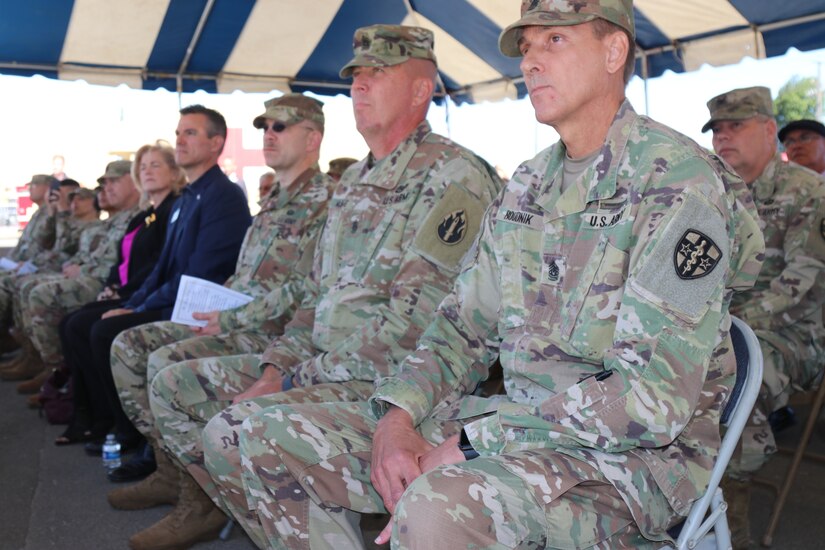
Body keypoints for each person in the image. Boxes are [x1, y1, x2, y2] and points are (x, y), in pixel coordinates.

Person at [236, 2, 764, 548]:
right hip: (513, 427)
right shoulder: (528, 185)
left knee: (438, 507)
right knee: (258, 435)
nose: (531, 62)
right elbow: (460, 327)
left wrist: (471, 444)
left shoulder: (677, 182)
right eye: (527, 47)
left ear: (614, 51)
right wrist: (399, 416)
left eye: (554, 41)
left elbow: (648, 400)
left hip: (632, 462)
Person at [147, 25, 501, 550]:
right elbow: (315, 296)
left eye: (379, 73)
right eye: (356, 75)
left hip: (393, 381)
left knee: (233, 431)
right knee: (174, 386)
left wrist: (292, 380)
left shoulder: (454, 177)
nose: (360, 86)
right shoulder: (354, 180)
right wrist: (275, 367)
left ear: (422, 89)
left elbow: (411, 327)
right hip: (324, 362)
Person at [104, 94, 332, 519]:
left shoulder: (326, 202)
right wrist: (209, 305)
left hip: (276, 335)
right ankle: (173, 469)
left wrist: (228, 317)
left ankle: (202, 499)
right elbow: (243, 275)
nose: (268, 135)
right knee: (127, 345)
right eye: (264, 127)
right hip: (237, 319)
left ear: (313, 137)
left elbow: (304, 290)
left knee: (161, 361)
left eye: (280, 127)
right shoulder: (273, 203)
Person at [69, 105, 251, 459]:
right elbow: (162, 268)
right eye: (179, 132)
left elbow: (198, 275)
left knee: (104, 331)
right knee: (85, 321)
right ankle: (117, 428)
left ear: (216, 144)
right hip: (174, 298)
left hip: (197, 309)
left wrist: (137, 307)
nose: (180, 140)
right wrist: (134, 302)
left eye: (191, 133)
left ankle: (141, 443)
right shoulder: (190, 198)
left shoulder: (222, 196)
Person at [704, 87, 825, 548]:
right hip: (727, 332)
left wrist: (730, 330)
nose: (722, 137)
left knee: (729, 378)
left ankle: (731, 533)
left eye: (736, 125)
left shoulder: (809, 192)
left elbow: (804, 286)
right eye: (717, 129)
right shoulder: (717, 196)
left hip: (794, 338)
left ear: (769, 129)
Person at [53, 142, 183, 446]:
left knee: (91, 327)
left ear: (174, 172)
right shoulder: (145, 215)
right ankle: (90, 415)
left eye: (155, 165)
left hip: (151, 296)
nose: (147, 172)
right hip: (133, 292)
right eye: (142, 167)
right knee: (71, 323)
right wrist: (114, 286)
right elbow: (123, 260)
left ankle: (119, 425)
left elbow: (158, 265)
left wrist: (126, 294)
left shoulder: (174, 210)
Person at [0, 162, 141, 384]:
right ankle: (35, 356)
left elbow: (115, 264)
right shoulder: (114, 220)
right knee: (23, 284)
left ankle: (55, 370)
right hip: (88, 275)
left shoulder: (137, 218)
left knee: (38, 292)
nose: (107, 189)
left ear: (134, 181)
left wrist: (79, 267)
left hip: (105, 283)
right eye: (105, 184)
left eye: (114, 181)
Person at [0, 174, 56, 353]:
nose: (31, 188)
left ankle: (30, 353)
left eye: (35, 184)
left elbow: (49, 246)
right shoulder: (37, 214)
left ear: (48, 188)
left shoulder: (51, 214)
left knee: (15, 286)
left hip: (37, 268)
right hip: (19, 265)